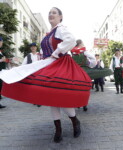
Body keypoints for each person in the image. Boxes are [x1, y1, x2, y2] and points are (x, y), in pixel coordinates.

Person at [0, 7, 92, 143]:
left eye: (54, 13)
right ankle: (58, 130)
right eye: (49, 13)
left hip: (61, 64)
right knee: (51, 97)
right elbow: (45, 52)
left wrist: (57, 52)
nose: (51, 14)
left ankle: (75, 121)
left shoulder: (61, 29)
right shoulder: (49, 33)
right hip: (50, 64)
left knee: (60, 95)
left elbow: (71, 40)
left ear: (61, 17)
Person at [71, 39, 96, 111]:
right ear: (80, 44)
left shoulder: (71, 52)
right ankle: (84, 104)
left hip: (75, 72)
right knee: (85, 88)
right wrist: (90, 64)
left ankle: (77, 103)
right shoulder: (84, 52)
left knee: (76, 88)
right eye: (83, 43)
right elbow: (93, 59)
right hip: (84, 72)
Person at [0, 36, 6, 109]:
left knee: (0, 86)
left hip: (1, 72)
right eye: (1, 42)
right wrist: (1, 60)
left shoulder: (0, 51)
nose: (1, 43)